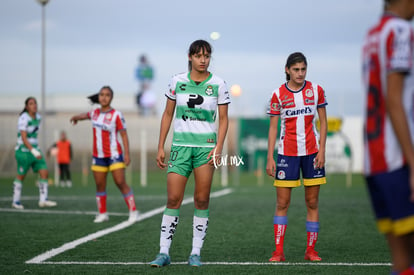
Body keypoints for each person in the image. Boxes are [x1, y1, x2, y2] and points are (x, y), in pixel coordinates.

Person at [150, 39, 230, 268]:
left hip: (206, 149)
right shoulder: (177, 81)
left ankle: (195, 253)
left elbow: (223, 120)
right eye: (198, 56)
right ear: (190, 57)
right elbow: (167, 114)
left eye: (207, 56)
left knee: (201, 199)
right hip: (180, 148)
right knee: (173, 198)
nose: (203, 60)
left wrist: (219, 147)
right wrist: (160, 146)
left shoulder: (218, 84)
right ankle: (163, 252)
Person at [362, 0, 414, 274]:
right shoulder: (401, 31)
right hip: (398, 160)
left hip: (375, 160)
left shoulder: (372, 36)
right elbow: (394, 100)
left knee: (402, 261)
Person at [266, 52, 328, 262]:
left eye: (303, 69)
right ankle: (278, 251)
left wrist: (322, 150)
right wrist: (270, 157)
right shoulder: (277, 94)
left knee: (312, 202)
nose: (300, 73)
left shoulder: (316, 90)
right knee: (282, 204)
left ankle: (311, 250)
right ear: (287, 70)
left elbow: (323, 122)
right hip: (287, 154)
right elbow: (273, 128)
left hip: (312, 153)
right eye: (296, 69)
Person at [70, 86, 139, 223]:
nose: (104, 97)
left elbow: (124, 135)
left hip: (114, 155)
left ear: (111, 97)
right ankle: (102, 214)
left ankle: (133, 211)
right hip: (98, 156)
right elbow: (86, 116)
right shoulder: (94, 113)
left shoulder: (116, 115)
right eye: (101, 94)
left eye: (107, 95)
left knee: (120, 182)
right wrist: (76, 117)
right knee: (100, 185)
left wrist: (127, 154)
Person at [12, 97, 57, 209]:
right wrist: (32, 150)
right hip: (23, 150)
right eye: (31, 104)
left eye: (35, 103)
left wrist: (35, 149)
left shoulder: (38, 118)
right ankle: (15, 201)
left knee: (44, 171)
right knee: (21, 175)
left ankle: (43, 200)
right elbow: (24, 138)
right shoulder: (23, 118)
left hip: (35, 149)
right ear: (27, 107)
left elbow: (34, 135)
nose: (34, 105)